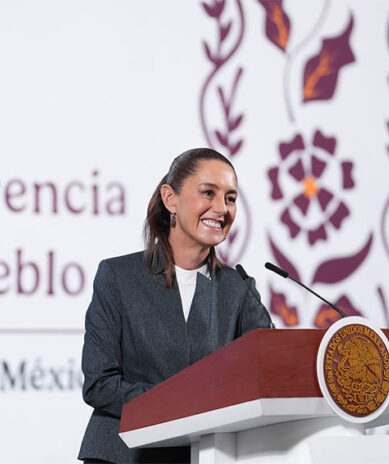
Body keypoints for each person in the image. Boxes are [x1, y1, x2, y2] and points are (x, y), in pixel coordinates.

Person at [77, 148, 272, 463]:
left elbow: (267, 373)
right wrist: (181, 404)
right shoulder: (118, 276)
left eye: (231, 198)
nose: (221, 208)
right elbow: (100, 384)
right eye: (208, 193)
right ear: (171, 198)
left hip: (206, 456)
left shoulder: (238, 289)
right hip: (124, 455)